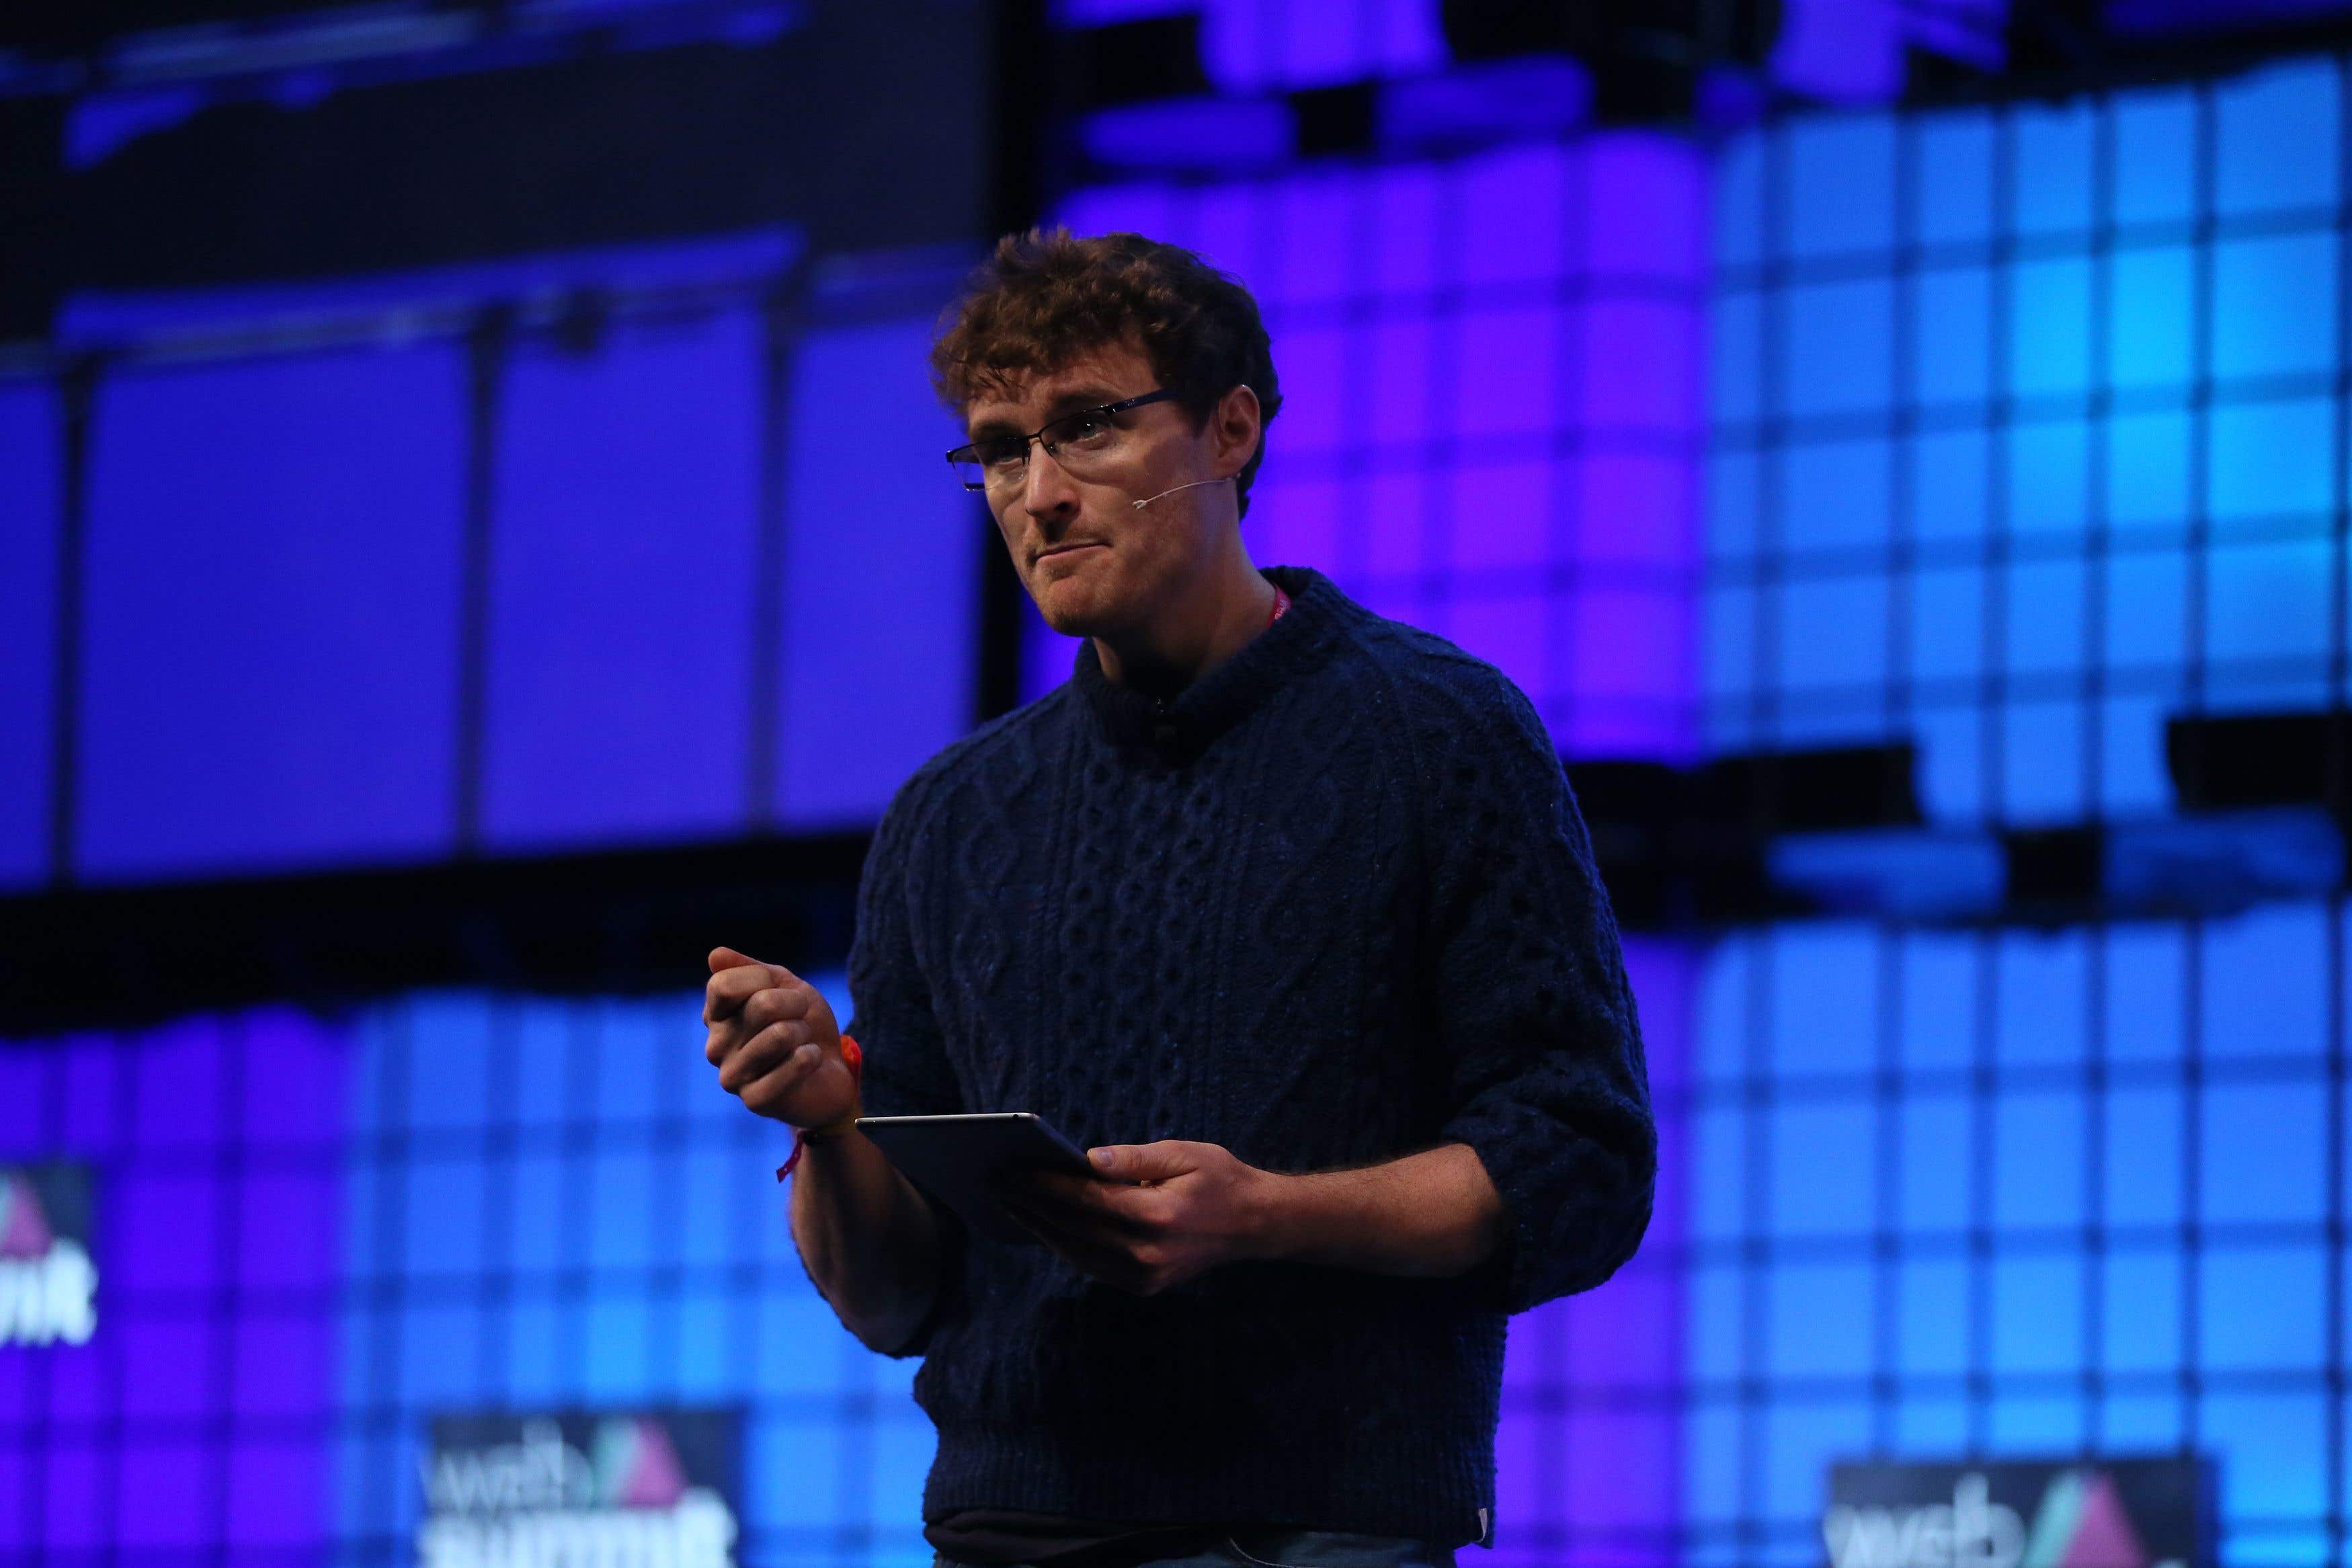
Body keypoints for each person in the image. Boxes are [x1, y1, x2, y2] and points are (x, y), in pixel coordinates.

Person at [700, 229, 1656, 1568]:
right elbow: (896, 1298)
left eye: (1085, 428)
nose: (1036, 493)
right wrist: (833, 1125)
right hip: (1011, 1529)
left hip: (1329, 1526)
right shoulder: (947, 817)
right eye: (1000, 448)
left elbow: (1579, 1163)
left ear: (1230, 431)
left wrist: (1263, 1215)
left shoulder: (1439, 736)